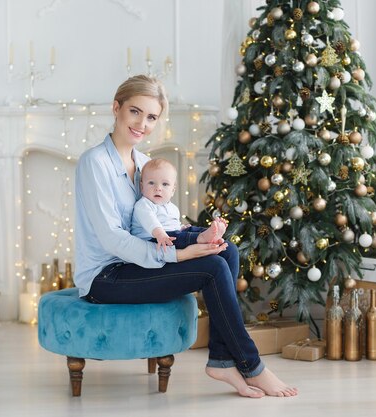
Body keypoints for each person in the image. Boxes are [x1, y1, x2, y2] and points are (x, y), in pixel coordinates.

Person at [74, 74, 297, 398]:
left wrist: (194, 240)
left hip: (141, 260)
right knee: (214, 268)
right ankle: (252, 365)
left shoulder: (147, 163)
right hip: (105, 276)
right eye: (135, 112)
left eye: (151, 117)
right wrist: (178, 255)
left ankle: (221, 360)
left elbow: (160, 221)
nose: (142, 123)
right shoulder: (94, 163)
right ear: (116, 108)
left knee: (227, 252)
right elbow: (112, 239)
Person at [131, 157, 228, 251]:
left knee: (191, 229)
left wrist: (181, 227)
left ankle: (211, 234)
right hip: (153, 240)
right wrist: (160, 235)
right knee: (179, 236)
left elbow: (173, 224)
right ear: (142, 187)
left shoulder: (172, 208)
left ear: (172, 190)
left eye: (165, 184)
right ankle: (203, 238)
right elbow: (151, 223)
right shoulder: (143, 205)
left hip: (171, 235)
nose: (158, 188)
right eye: (151, 183)